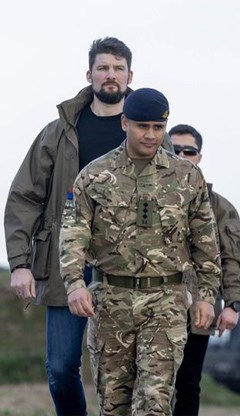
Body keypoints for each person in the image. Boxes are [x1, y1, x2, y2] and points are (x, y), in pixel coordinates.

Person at [59, 88, 221, 415]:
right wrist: (74, 284)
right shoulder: (93, 175)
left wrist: (206, 295)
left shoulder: (187, 176)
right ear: (125, 123)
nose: (150, 135)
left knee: (154, 402)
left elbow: (205, 241)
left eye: (158, 128)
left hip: (165, 302)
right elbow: (73, 234)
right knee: (113, 405)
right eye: (142, 126)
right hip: (110, 302)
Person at [4, 37, 137, 416]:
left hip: (129, 267)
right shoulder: (59, 132)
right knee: (61, 369)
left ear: (130, 75)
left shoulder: (145, 130)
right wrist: (19, 263)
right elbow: (24, 197)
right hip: (67, 263)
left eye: (118, 68)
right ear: (89, 74)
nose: (110, 75)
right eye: (103, 67)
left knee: (123, 373)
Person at [169, 124, 240, 416]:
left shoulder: (220, 207)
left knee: (188, 384)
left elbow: (233, 258)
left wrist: (232, 304)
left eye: (188, 151)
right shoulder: (143, 194)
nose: (181, 156)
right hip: (150, 305)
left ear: (199, 157)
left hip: (198, 309)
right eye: (174, 149)